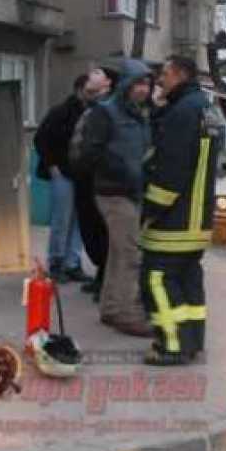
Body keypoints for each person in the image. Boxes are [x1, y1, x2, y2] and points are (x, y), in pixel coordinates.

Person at [139, 56, 219, 366]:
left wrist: (150, 210)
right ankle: (192, 341)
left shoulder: (182, 113)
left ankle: (171, 346)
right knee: (188, 280)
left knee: (157, 279)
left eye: (166, 74)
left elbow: (170, 169)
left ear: (182, 75)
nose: (160, 80)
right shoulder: (205, 109)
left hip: (174, 221)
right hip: (198, 220)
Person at [78, 59, 154, 338]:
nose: (144, 89)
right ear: (125, 84)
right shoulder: (105, 112)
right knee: (130, 252)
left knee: (119, 251)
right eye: (138, 83)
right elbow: (90, 153)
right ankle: (127, 312)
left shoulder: (139, 114)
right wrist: (122, 170)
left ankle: (111, 306)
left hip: (132, 191)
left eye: (147, 83)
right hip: (113, 191)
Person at [34, 74, 94, 284]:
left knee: (78, 220)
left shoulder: (93, 111)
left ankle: (73, 263)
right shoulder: (61, 112)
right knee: (62, 218)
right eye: (89, 91)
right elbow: (41, 138)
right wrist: (52, 166)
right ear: (79, 90)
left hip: (81, 174)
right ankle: (57, 262)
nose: (92, 95)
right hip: (63, 172)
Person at [69, 69, 114, 300]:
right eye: (90, 90)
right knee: (91, 232)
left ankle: (106, 281)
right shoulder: (91, 111)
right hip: (84, 180)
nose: (94, 93)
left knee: (102, 234)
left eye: (98, 89)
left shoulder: (109, 112)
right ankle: (101, 277)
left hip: (99, 181)